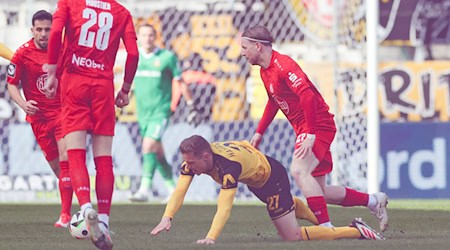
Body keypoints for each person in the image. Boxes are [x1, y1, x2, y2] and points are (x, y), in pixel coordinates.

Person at [240, 25, 388, 231]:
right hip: (307, 127)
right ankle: (373, 201)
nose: (242, 52)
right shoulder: (265, 72)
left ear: (257, 46)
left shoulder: (284, 65)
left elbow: (307, 95)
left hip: (317, 125)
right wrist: (259, 132)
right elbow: (274, 101)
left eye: (244, 47)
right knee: (320, 191)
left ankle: (326, 228)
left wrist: (310, 133)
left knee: (299, 171)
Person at [151, 135, 384, 243]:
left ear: (205, 155)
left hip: (272, 179)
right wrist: (166, 217)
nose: (188, 167)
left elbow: (224, 207)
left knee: (291, 237)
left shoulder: (228, 168)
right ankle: (310, 216)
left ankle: (356, 231)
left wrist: (211, 237)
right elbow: (180, 190)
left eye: (192, 163)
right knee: (288, 208)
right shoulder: (198, 159)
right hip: (257, 178)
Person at [43, 1, 139, 249]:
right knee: (103, 157)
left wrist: (52, 71)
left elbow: (55, 33)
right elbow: (133, 53)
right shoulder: (121, 11)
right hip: (103, 86)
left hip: (74, 81)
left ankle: (86, 207)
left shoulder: (69, 3)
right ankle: (104, 220)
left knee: (75, 153)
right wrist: (125, 88)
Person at [6, 10, 73, 228]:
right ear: (32, 30)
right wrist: (23, 104)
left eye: (48, 29)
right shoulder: (22, 54)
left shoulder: (64, 48)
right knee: (58, 169)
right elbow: (11, 84)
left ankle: (66, 215)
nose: (44, 34)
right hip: (39, 119)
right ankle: (77, 200)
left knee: (66, 159)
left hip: (63, 112)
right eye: (40, 29)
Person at [129, 24, 200, 202]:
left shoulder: (167, 57)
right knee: (157, 152)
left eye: (151, 35)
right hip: (143, 113)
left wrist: (191, 105)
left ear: (156, 36)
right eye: (144, 35)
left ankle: (144, 189)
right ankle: (173, 190)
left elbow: (180, 81)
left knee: (148, 146)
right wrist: (123, 98)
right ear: (138, 37)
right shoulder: (134, 57)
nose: (147, 38)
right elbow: (130, 82)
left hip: (160, 112)